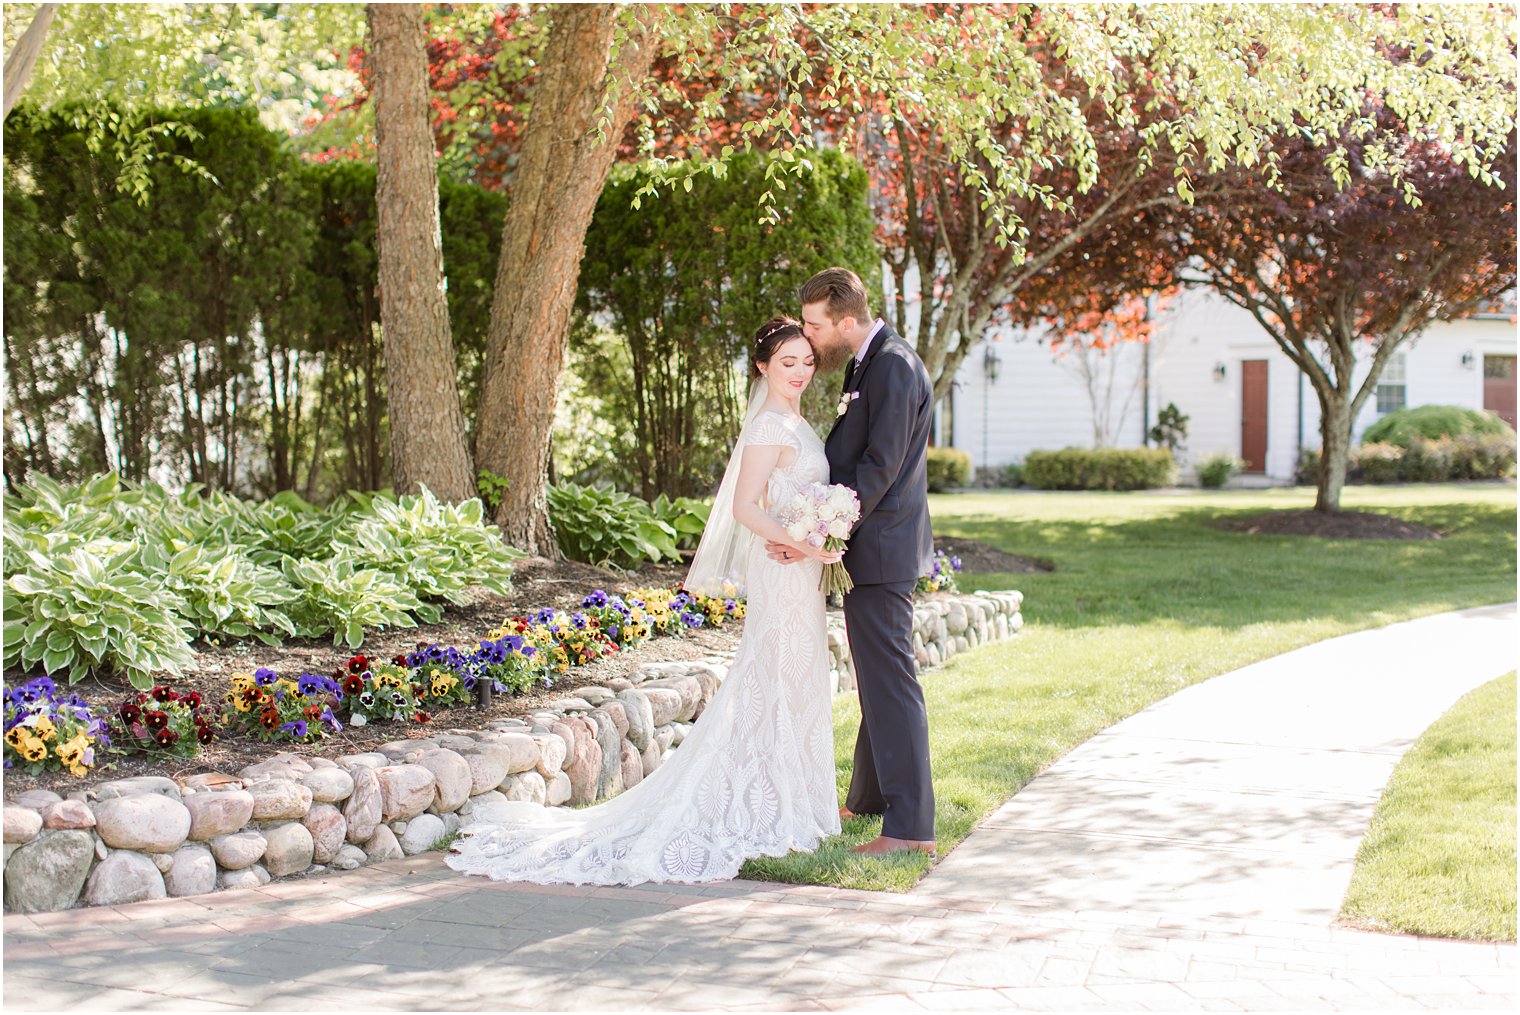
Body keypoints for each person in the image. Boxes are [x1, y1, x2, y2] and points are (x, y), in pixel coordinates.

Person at [446, 318, 841, 886]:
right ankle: (762, 804)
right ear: (762, 368)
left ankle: (792, 800)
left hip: (801, 568)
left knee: (795, 680)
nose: (801, 372)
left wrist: (818, 532)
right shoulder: (766, 428)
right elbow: (745, 509)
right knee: (772, 677)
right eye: (788, 363)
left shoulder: (798, 423)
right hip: (783, 568)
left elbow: (791, 498)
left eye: (806, 361)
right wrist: (800, 541)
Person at [767, 266, 937, 858]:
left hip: (882, 550)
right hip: (872, 547)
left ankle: (912, 828)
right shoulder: (871, 362)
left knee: (892, 683)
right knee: (875, 678)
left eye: (815, 325)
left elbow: (879, 468)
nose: (809, 338)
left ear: (845, 320)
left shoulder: (891, 364)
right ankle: (868, 799)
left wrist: (816, 534)